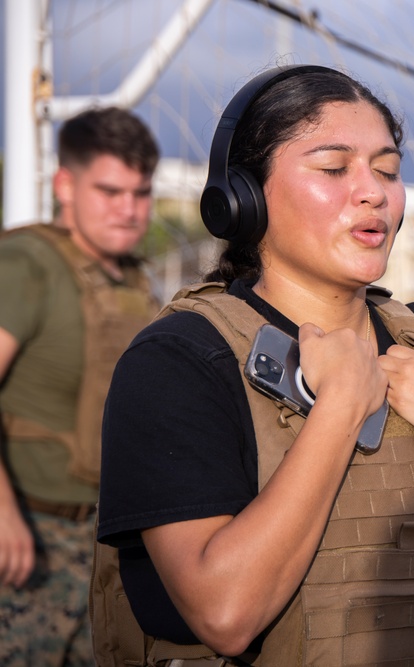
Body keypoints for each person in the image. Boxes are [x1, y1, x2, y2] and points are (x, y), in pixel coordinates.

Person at [95, 65, 414, 665]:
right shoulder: (181, 360)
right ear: (243, 198)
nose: (372, 191)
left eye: (388, 170)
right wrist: (343, 406)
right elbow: (224, 614)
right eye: (333, 168)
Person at [0, 107, 161, 666]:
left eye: (140, 193)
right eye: (110, 190)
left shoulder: (138, 281)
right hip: (27, 537)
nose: (128, 209)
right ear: (64, 185)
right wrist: (3, 514)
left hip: (105, 546)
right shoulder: (27, 264)